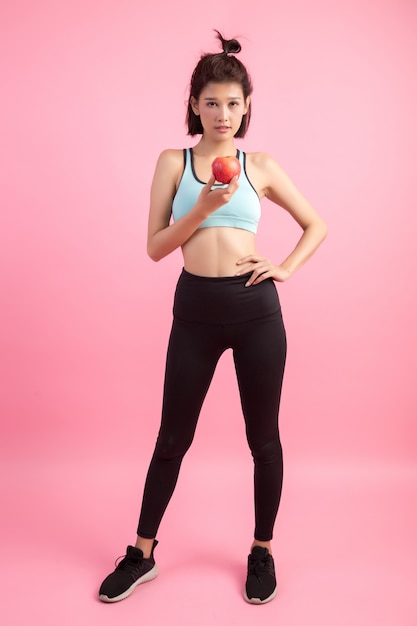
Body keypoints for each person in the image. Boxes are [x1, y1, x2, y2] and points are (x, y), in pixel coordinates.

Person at [98, 30, 327, 605]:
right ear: (194, 106)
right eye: (211, 102)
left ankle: (262, 549)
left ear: (246, 107)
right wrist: (200, 207)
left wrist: (286, 268)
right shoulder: (173, 161)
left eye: (233, 103)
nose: (222, 113)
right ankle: (142, 553)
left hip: (256, 311)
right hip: (195, 311)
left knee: (263, 438)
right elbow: (155, 247)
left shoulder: (261, 164)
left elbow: (315, 224)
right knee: (172, 437)